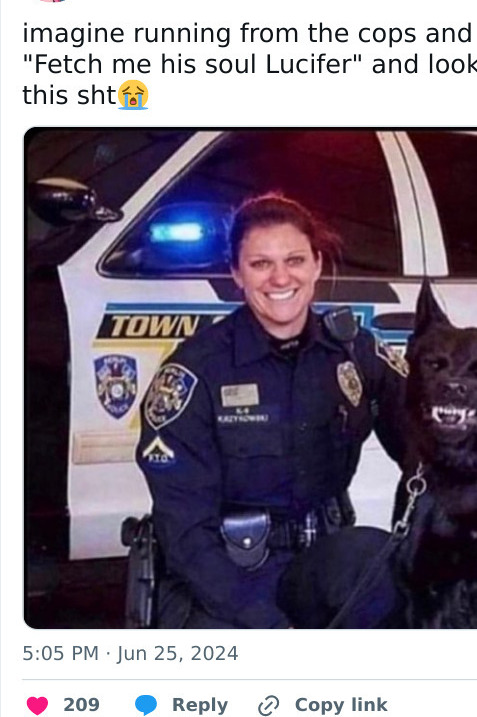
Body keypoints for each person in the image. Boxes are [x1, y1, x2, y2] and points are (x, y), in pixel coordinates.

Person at [135, 193, 408, 628]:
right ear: (236, 274)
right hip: (226, 572)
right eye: (261, 264)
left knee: (383, 570)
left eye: (295, 260)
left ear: (316, 264)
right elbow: (185, 530)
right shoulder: (197, 369)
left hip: (324, 558)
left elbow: (428, 451)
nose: (281, 277)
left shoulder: (357, 351)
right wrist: (267, 627)